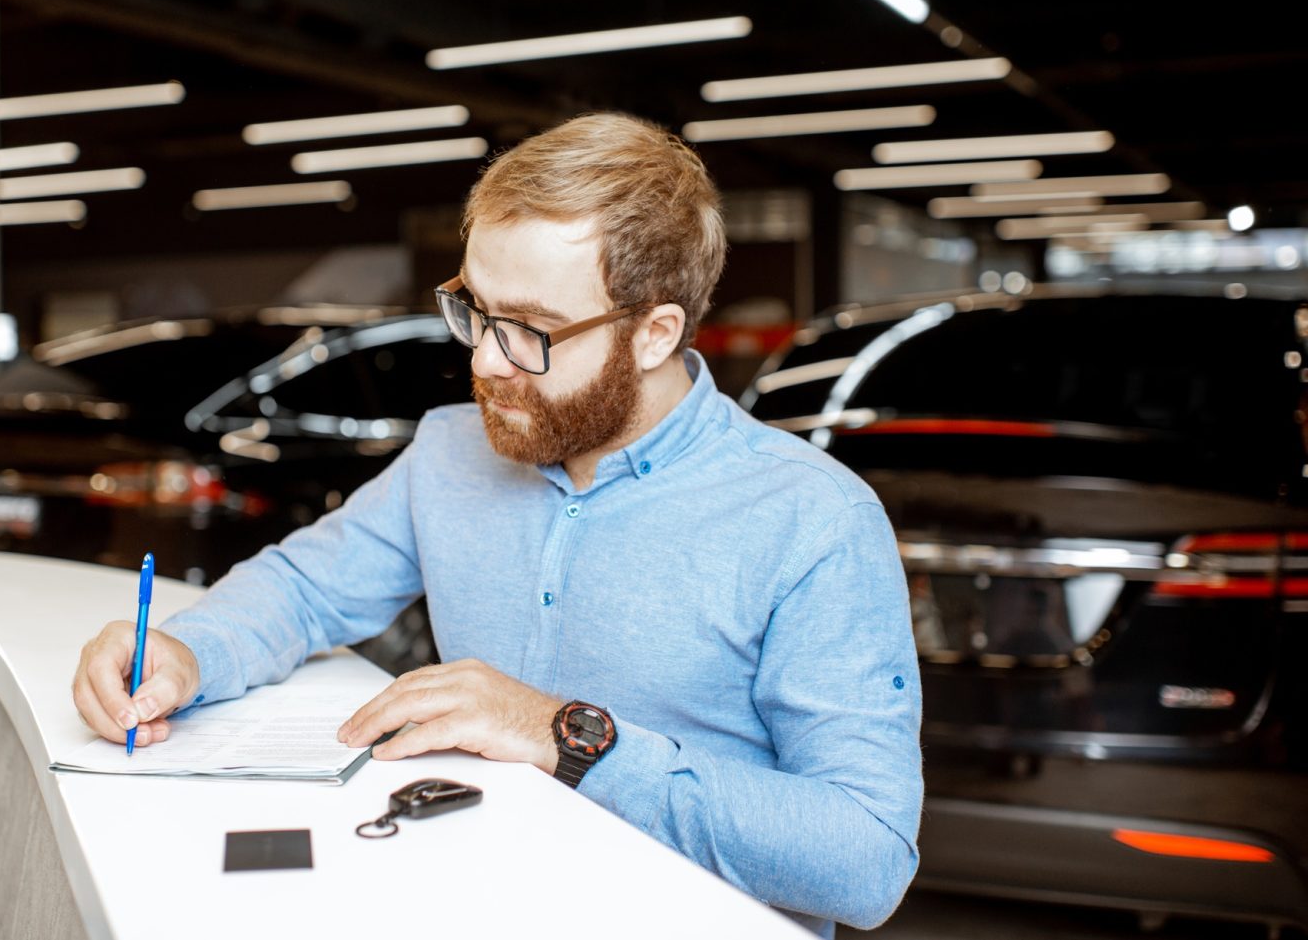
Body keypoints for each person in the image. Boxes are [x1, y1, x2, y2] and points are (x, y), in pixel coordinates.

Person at [72, 112, 922, 936]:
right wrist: (190, 652)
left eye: (530, 330)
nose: (483, 359)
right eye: (476, 309)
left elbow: (865, 858)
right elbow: (302, 590)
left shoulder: (813, 519)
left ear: (655, 333)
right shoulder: (449, 451)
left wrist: (564, 736)